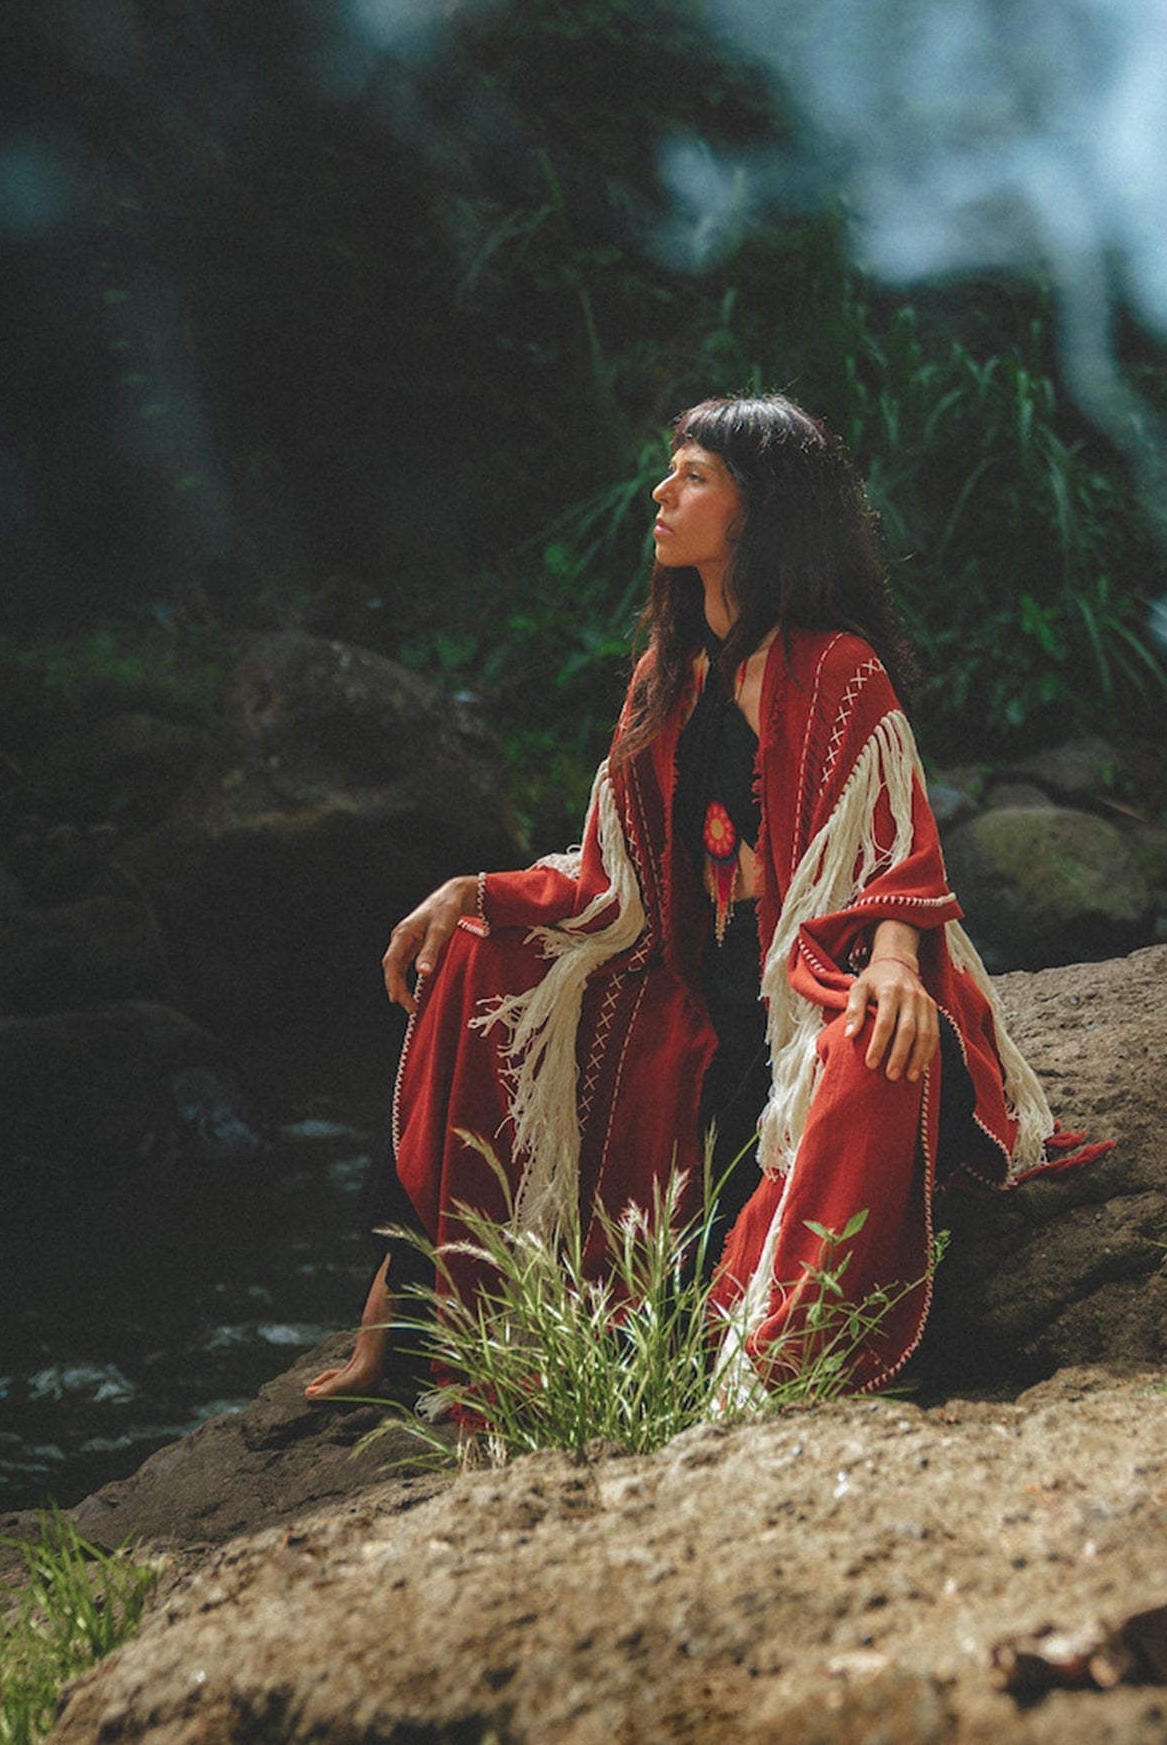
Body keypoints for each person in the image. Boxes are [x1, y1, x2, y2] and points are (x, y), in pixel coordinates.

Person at [306, 395, 1098, 1405]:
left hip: (806, 1005)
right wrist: (473, 890)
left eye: (693, 474)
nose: (662, 490)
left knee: (867, 1049)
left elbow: (894, 853)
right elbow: (608, 881)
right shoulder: (662, 677)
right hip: (696, 1019)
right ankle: (406, 1307)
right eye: (671, 470)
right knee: (473, 945)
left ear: (757, 510)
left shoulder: (838, 668)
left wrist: (895, 964)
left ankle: (766, 1368)